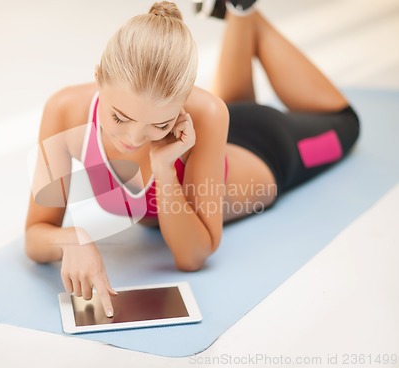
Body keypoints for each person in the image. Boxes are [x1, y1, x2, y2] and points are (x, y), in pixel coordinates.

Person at [24, 1, 359, 318]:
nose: (134, 139)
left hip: (268, 148)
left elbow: (192, 256)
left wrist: (165, 170)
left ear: (185, 101)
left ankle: (248, 16)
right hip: (220, 132)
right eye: (120, 118)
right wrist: (72, 239)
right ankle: (243, 12)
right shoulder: (64, 110)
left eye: (159, 125)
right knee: (233, 104)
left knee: (346, 123)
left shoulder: (208, 112)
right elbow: (35, 234)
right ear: (99, 77)